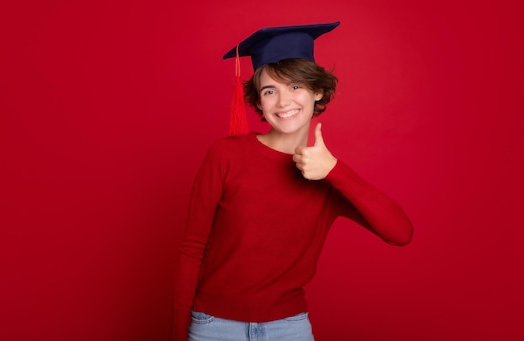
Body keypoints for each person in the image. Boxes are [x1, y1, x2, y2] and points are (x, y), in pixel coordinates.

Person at [171, 22, 413, 341]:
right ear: (258, 102)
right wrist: (177, 334)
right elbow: (193, 249)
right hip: (214, 326)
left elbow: (400, 232)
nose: (283, 102)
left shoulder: (326, 174)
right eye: (270, 91)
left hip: (288, 328)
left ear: (318, 91)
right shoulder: (225, 155)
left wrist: (335, 170)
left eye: (296, 86)